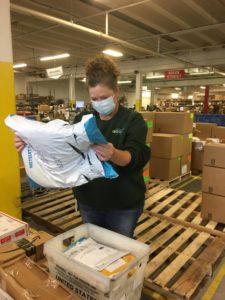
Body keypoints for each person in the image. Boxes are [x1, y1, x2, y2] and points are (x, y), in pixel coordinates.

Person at [14, 54, 150, 237]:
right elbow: (64, 153)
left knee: (119, 252)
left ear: (116, 91)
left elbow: (137, 158)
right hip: (88, 201)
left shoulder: (133, 120)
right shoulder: (82, 120)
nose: (100, 103)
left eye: (105, 97)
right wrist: (30, 144)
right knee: (93, 250)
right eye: (95, 98)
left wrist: (113, 153)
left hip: (122, 204)